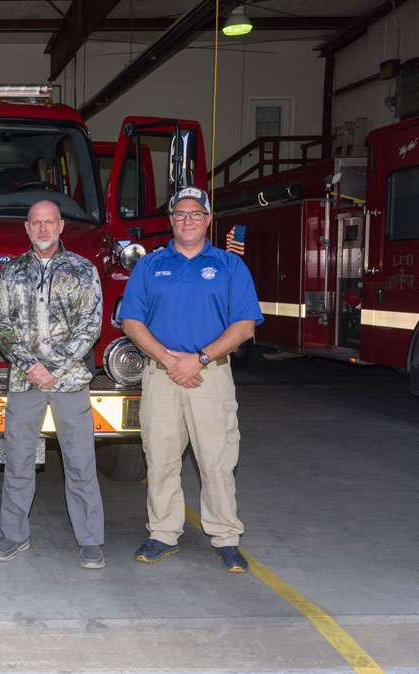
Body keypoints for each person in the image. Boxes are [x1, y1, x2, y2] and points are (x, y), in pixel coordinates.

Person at [120, 186, 263, 573]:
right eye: (180, 214)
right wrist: (168, 358)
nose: (188, 221)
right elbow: (131, 320)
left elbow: (245, 325)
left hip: (210, 377)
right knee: (161, 457)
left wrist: (199, 359)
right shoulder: (149, 266)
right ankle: (163, 533)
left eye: (196, 214)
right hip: (161, 376)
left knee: (217, 459)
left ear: (208, 220)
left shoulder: (230, 266)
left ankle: (225, 537)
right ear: (170, 221)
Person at [0, 199, 106, 569]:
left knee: (80, 463)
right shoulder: (11, 272)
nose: (42, 229)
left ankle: (90, 540)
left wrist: (53, 367)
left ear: (60, 227)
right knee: (19, 461)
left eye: (49, 222)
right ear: (27, 228)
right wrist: (31, 366)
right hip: (25, 383)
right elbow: (0, 324)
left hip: (70, 382)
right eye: (36, 223)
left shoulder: (83, 269)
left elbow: (92, 324)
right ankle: (14, 535)